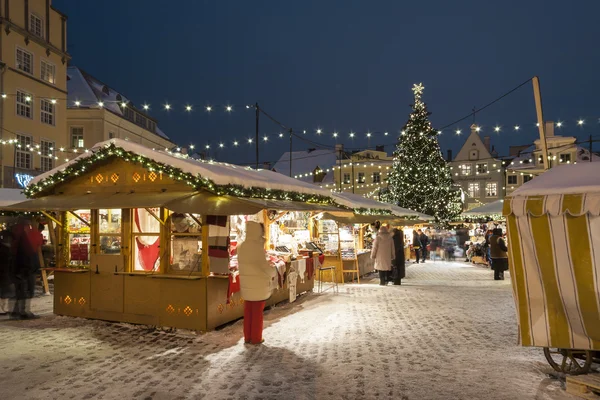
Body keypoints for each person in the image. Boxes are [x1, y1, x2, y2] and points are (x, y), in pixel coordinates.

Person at [237, 221, 276, 344]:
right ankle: (256, 338)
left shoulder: (242, 246)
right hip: (258, 285)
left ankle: (247, 336)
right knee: (257, 313)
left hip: (247, 285)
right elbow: (263, 266)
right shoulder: (256, 247)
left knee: (248, 312)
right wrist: (273, 271)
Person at [10, 217, 41, 319]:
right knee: (25, 291)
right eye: (28, 226)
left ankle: (17, 311)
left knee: (20, 291)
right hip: (25, 269)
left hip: (21, 269)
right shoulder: (23, 238)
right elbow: (27, 254)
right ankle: (23, 312)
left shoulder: (15, 236)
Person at [0, 227, 14, 315]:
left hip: (5, 272)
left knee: (5, 290)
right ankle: (2, 308)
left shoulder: (7, 248)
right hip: (3, 271)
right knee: (4, 290)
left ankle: (3, 308)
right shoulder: (4, 248)